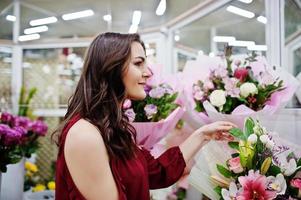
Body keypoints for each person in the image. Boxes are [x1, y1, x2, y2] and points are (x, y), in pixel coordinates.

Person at [53, 32, 236, 200]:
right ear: (111, 68)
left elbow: (157, 172)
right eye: (138, 63)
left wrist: (202, 134)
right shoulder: (85, 134)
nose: (148, 73)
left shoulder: (114, 128)